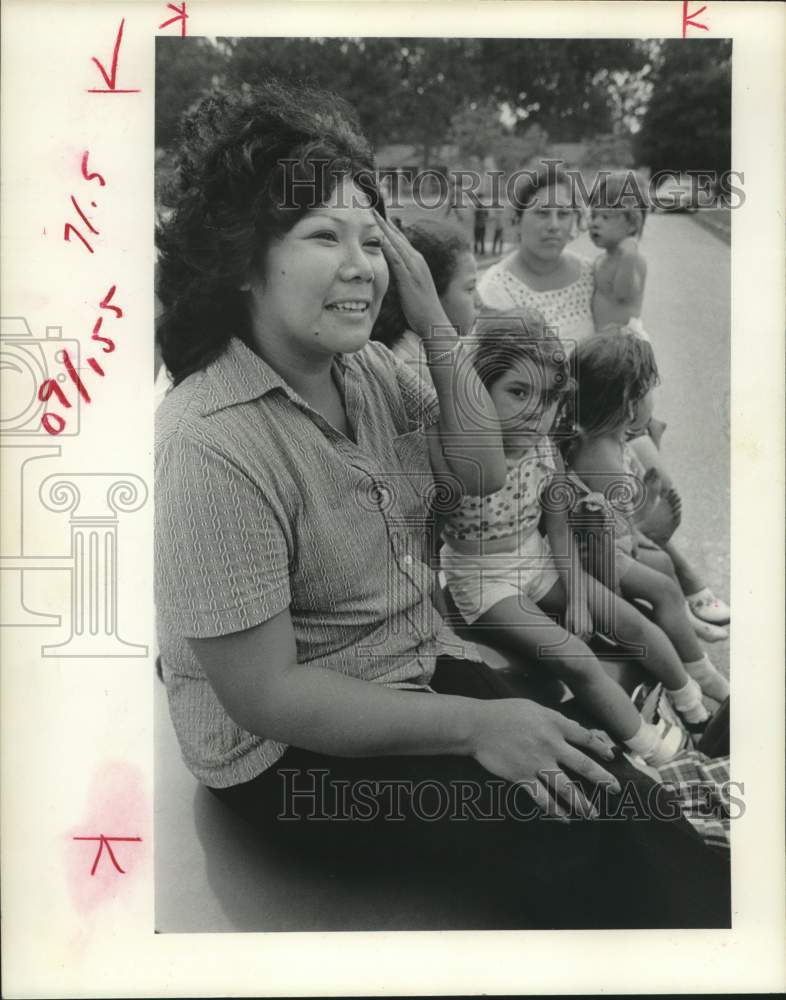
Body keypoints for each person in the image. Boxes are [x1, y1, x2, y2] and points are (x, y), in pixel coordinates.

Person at [154, 82, 729, 929]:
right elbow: (266, 697)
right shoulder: (211, 439)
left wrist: (431, 319)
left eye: (371, 240)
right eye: (323, 236)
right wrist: (471, 729)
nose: (360, 265)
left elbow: (480, 469)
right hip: (291, 761)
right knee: (587, 842)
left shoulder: (366, 369)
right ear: (243, 260)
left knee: (605, 772)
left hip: (405, 669)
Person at [440, 310, 709, 763]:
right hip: (485, 581)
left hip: (539, 559)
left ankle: (696, 709)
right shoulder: (458, 455)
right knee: (574, 657)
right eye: (517, 392)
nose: (534, 413)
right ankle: (657, 750)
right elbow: (425, 539)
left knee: (630, 620)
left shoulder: (543, 448)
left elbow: (557, 522)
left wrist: (580, 596)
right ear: (479, 389)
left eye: (547, 400)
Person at [478, 162, 730, 636]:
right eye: (542, 213)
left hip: (599, 415)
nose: (556, 225)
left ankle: (669, 591)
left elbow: (617, 336)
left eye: (565, 213)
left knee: (656, 488)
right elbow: (498, 377)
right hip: (539, 430)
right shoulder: (497, 287)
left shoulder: (589, 272)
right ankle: (662, 607)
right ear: (516, 218)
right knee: (612, 499)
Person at [562, 333, 730, 704]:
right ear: (629, 401)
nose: (655, 397)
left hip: (611, 542)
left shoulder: (608, 436)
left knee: (664, 564)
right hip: (596, 558)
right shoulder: (599, 456)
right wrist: (649, 503)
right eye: (651, 389)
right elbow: (616, 524)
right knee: (665, 587)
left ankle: (684, 624)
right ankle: (701, 672)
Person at [371, 218, 481, 366]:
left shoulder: (432, 348)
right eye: (470, 289)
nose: (480, 301)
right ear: (429, 292)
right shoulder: (414, 364)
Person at [588, 171, 650, 339]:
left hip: (624, 344)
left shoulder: (633, 259)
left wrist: (628, 257)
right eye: (594, 215)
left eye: (605, 217)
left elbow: (623, 293)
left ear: (632, 224)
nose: (595, 223)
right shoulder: (602, 259)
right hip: (602, 342)